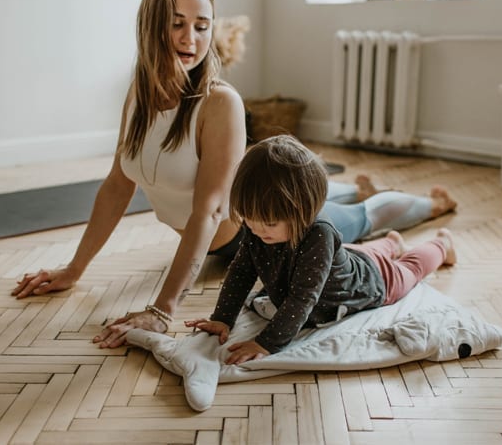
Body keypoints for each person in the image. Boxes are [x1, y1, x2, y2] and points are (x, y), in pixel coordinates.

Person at [9, 0, 457, 348]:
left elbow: (208, 211)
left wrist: (162, 311)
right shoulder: (138, 96)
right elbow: (116, 186)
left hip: (273, 231)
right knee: (342, 205)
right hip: (245, 227)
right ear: (151, 24)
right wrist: (74, 268)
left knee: (360, 217)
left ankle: (431, 207)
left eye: (202, 25)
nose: (191, 38)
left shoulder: (219, 102)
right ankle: (355, 196)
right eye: (177, 23)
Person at [184, 135, 458, 363]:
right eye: (249, 221)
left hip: (372, 281)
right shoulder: (259, 229)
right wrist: (222, 318)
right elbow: (242, 271)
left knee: (409, 269)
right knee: (362, 254)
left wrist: (265, 343)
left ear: (304, 210)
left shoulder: (319, 234)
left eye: (268, 223)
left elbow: (303, 299)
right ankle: (392, 242)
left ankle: (442, 245)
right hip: (349, 257)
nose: (257, 230)